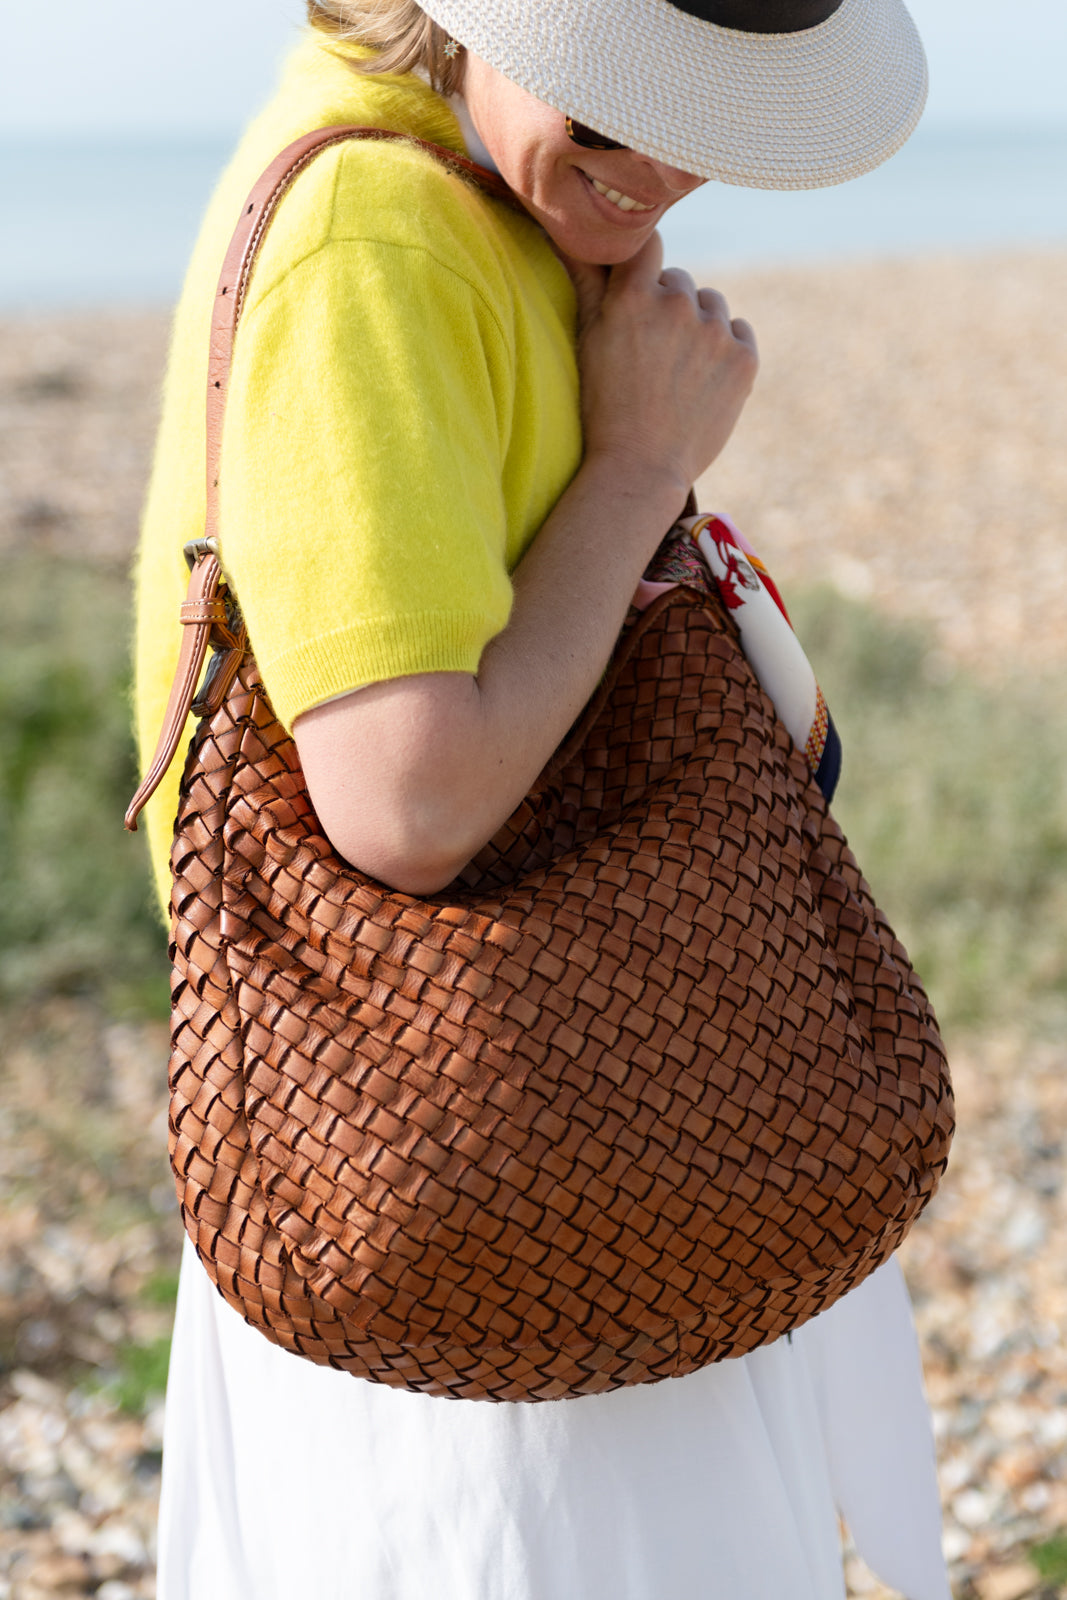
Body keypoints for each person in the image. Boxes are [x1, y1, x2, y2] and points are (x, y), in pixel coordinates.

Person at [133, 0, 951, 1594]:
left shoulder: (479, 192)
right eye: (618, 96)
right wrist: (638, 472)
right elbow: (408, 803)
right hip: (479, 1185)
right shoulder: (381, 239)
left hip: (545, 1139)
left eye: (711, 113)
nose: (665, 163)